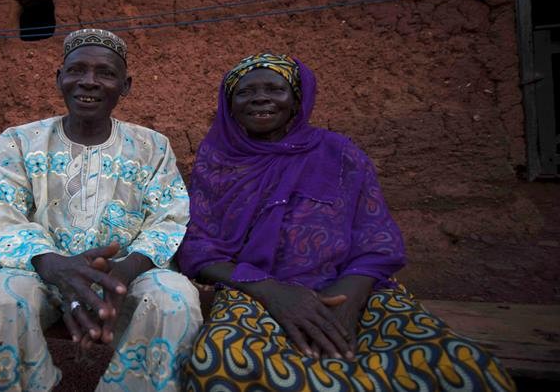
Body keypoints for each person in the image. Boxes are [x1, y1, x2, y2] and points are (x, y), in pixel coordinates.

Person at [177, 53, 515, 391]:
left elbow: (376, 239)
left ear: (297, 99)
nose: (260, 98)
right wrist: (274, 293)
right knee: (221, 363)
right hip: (255, 292)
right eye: (244, 92)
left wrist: (347, 300)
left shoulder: (339, 154)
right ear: (229, 105)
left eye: (275, 89)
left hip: (347, 287)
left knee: (455, 363)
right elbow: (198, 249)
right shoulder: (218, 162)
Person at [0, 29, 202, 391]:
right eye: (77, 69)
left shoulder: (152, 146)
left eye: (106, 73)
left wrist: (122, 272)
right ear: (59, 77)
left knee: (175, 301)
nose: (89, 82)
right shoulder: (17, 141)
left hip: (127, 270)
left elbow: (169, 216)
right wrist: (54, 265)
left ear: (125, 86)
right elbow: (2, 216)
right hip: (36, 267)